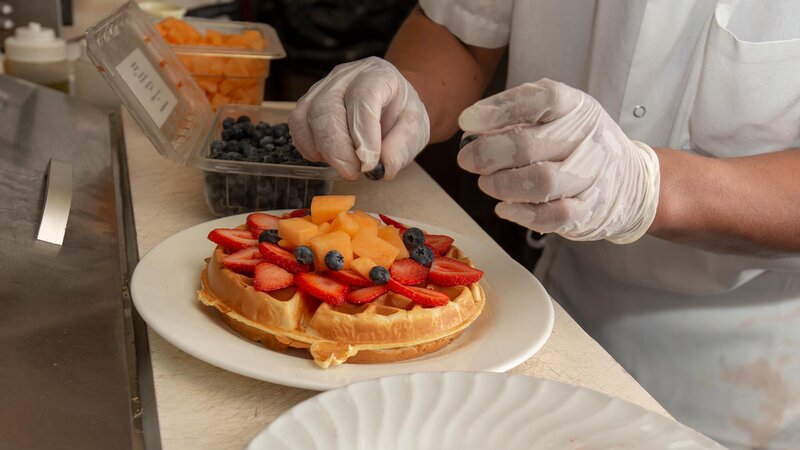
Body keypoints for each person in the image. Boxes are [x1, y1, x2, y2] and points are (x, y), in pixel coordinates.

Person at [287, 1, 800, 448]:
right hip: (554, 310)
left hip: (746, 368)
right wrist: (408, 92)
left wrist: (650, 187)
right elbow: (461, 32)